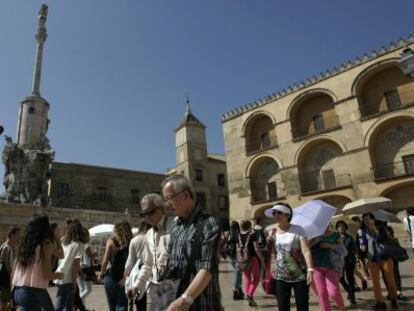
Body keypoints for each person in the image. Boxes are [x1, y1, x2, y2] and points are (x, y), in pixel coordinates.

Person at [161, 175, 223, 311]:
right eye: (165, 200)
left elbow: (207, 269)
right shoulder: (176, 227)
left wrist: (185, 300)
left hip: (201, 305)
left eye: (169, 198)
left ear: (185, 195)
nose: (166, 204)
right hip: (175, 302)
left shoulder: (209, 224)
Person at [129, 193, 176, 310]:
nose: (147, 217)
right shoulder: (149, 235)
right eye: (143, 214)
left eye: (150, 212)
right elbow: (148, 264)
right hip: (156, 292)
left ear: (161, 209)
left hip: (176, 289)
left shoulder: (175, 225)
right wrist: (137, 285)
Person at [264, 203, 313, 311]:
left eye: (279, 212)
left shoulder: (298, 229)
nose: (276, 215)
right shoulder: (272, 232)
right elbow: (273, 253)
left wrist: (310, 269)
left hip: (300, 273)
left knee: (302, 306)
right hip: (281, 275)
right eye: (274, 213)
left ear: (287, 214)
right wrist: (272, 265)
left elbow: (306, 250)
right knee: (282, 307)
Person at [12, 214, 64, 310]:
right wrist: (59, 275)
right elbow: (47, 274)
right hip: (32, 294)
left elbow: (14, 269)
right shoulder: (46, 245)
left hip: (18, 291)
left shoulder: (24, 245)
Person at [359, 213, 399, 309]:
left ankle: (393, 299)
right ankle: (380, 302)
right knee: (375, 282)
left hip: (385, 258)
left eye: (368, 218)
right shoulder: (363, 231)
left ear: (373, 219)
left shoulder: (381, 229)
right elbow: (363, 243)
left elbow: (385, 239)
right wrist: (363, 247)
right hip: (372, 259)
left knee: (390, 280)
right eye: (364, 219)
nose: (366, 220)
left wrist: (375, 230)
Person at [311, 223, 346, 311]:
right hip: (317, 268)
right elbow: (306, 249)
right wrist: (315, 241)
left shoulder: (336, 235)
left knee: (333, 293)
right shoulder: (315, 235)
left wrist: (330, 246)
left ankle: (341, 307)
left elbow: (344, 252)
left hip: (331, 267)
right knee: (322, 294)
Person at [99, 220, 132, 311]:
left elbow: (105, 261)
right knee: (122, 306)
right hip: (123, 279)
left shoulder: (110, 241)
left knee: (112, 307)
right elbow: (132, 263)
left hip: (110, 278)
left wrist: (101, 274)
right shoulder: (131, 243)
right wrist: (125, 278)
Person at [54, 219, 86, 311]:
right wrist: (74, 282)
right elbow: (75, 265)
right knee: (60, 306)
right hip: (67, 279)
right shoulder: (79, 245)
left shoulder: (65, 242)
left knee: (69, 305)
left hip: (60, 274)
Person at [238, 219, 264, 307]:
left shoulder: (239, 235)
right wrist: (262, 259)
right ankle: (249, 294)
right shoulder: (252, 234)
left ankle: (250, 298)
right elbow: (257, 249)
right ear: (249, 226)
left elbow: (238, 249)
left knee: (247, 278)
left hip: (243, 260)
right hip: (252, 259)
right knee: (256, 278)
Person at [124, 220, 148, 310]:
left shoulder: (134, 240)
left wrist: (126, 274)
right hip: (151, 275)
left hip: (138, 275)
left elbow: (130, 261)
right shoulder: (154, 238)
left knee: (140, 303)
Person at [336, 220, 357, 305]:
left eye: (342, 226)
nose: (341, 227)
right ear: (337, 228)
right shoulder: (335, 238)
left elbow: (352, 249)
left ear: (345, 227)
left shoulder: (349, 237)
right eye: (339, 226)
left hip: (349, 261)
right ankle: (349, 290)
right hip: (339, 262)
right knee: (340, 278)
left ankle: (352, 297)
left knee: (350, 278)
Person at [0, 226, 21, 310]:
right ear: (12, 235)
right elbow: (5, 265)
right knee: (4, 301)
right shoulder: (5, 248)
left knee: (12, 301)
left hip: (13, 278)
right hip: (5, 279)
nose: (19, 237)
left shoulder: (14, 247)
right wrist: (12, 277)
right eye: (18, 235)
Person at [386, 225, 407, 301]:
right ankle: (391, 292)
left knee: (396, 275)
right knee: (388, 277)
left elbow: (398, 249)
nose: (387, 233)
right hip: (386, 260)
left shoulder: (394, 240)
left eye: (388, 231)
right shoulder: (383, 240)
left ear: (391, 232)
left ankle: (399, 291)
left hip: (394, 260)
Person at [77, 228, 95, 307]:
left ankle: (82, 307)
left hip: (79, 267)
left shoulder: (78, 244)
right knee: (88, 289)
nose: (89, 237)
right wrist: (95, 252)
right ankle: (77, 302)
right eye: (88, 235)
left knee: (81, 289)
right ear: (86, 236)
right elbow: (91, 256)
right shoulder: (86, 245)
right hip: (85, 268)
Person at [227, 221, 244, 300]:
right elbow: (240, 246)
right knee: (237, 272)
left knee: (237, 271)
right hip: (237, 256)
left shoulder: (229, 235)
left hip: (231, 256)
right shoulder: (238, 235)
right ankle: (235, 289)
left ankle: (239, 289)